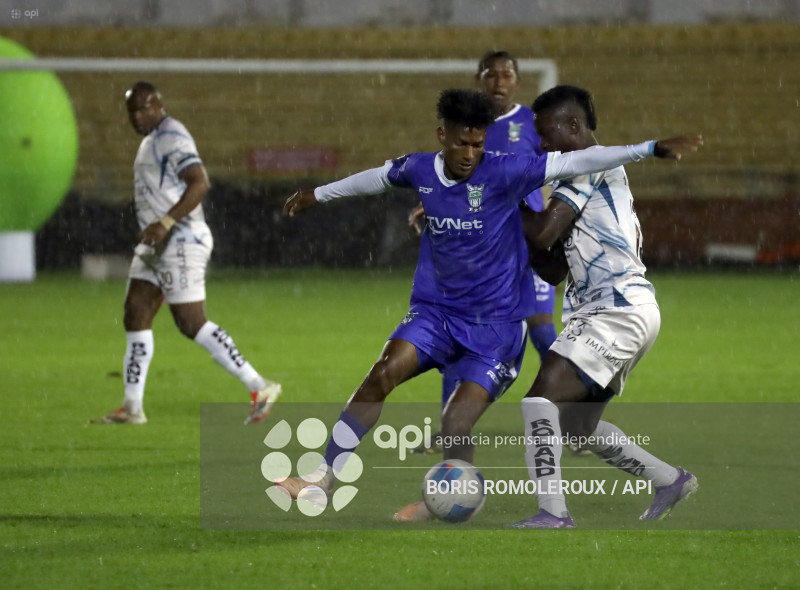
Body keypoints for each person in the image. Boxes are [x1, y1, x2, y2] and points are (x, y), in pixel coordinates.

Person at [279, 87, 701, 522]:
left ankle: (524, 511)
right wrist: (319, 194)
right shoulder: (422, 169)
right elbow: (376, 177)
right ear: (442, 136)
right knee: (384, 374)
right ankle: (323, 476)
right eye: (461, 143)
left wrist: (648, 148)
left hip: (505, 328)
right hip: (437, 314)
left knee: (470, 420)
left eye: (477, 144)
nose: (468, 153)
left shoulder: (516, 173)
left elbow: (578, 165)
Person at [511, 85, 700, 529]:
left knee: (540, 400)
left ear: (574, 127)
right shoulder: (582, 174)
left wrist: (495, 198)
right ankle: (669, 480)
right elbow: (553, 267)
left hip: (614, 311)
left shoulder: (584, 170)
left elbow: (539, 233)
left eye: (546, 133)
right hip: (623, 310)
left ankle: (552, 514)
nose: (541, 145)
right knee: (578, 426)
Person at [91, 81, 281, 426]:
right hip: (157, 244)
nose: (136, 116)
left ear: (158, 105)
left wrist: (164, 222)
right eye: (131, 110)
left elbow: (200, 182)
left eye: (143, 108)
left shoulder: (171, 135)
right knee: (135, 312)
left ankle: (260, 385)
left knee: (191, 322)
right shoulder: (152, 139)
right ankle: (132, 406)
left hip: (180, 239)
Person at [408, 52, 558, 455]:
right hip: (485, 245)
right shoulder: (470, 129)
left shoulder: (531, 123)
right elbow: (455, 183)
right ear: (479, 79)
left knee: (543, 330)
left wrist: (553, 223)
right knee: (456, 334)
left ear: (517, 82)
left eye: (506, 75)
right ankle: (451, 433)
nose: (498, 82)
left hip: (527, 242)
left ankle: (573, 408)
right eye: (491, 75)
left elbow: (550, 172)